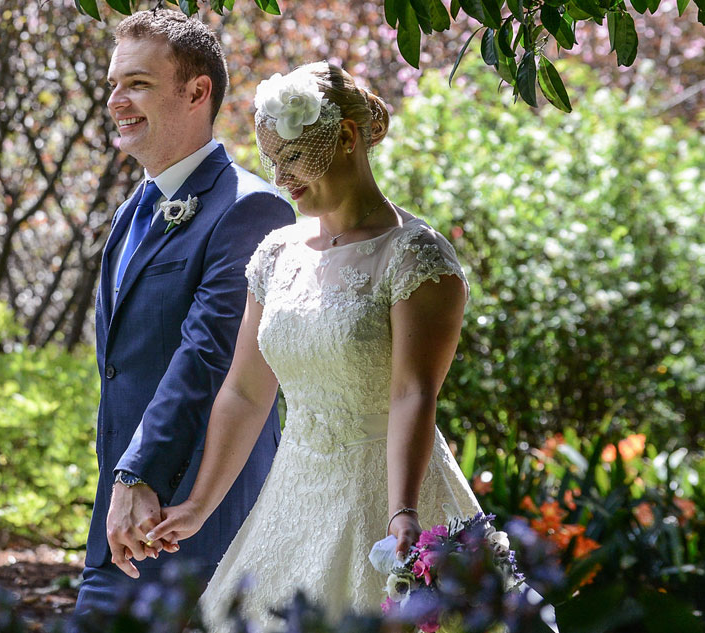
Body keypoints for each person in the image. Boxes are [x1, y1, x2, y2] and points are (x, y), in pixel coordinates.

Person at [147, 62, 485, 626]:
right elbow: (246, 393)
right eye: (272, 160)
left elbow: (412, 393)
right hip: (292, 497)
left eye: (294, 158)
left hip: (382, 496)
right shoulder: (276, 254)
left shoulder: (416, 256)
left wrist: (401, 510)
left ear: (347, 138)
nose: (281, 178)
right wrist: (199, 506)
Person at [74, 9, 296, 618]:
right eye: (114, 84)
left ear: (197, 92)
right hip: (122, 524)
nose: (117, 100)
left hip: (203, 524)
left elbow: (207, 357)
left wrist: (138, 476)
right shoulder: (130, 213)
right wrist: (120, 488)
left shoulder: (251, 211)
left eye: (138, 84)